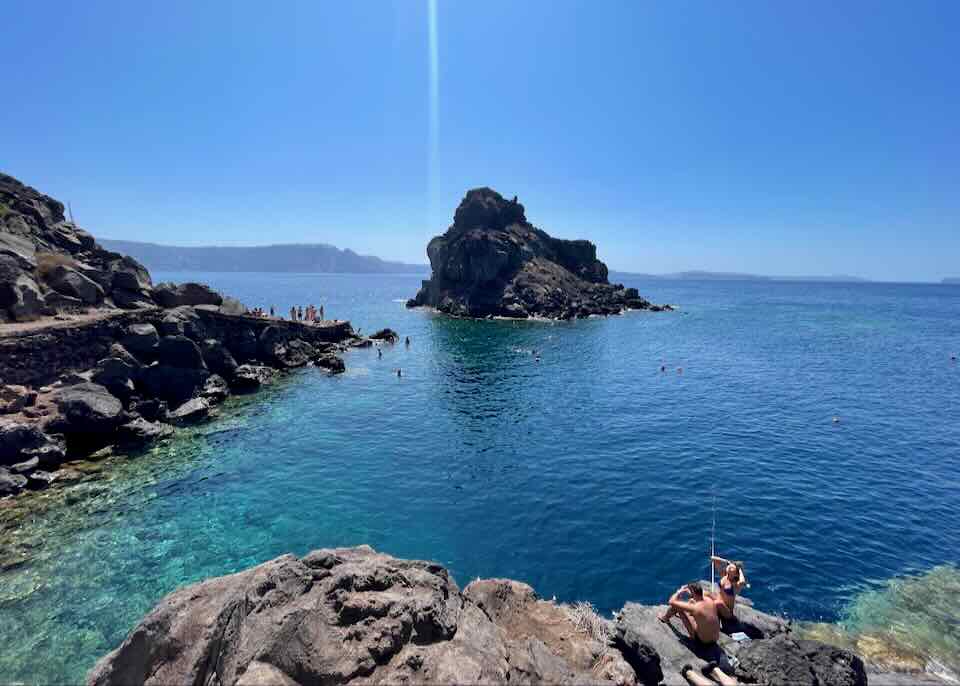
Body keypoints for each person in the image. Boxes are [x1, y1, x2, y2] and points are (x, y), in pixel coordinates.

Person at [658, 581, 720, 647]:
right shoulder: (709, 599)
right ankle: (688, 615)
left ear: (693, 593)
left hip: (703, 642)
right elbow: (703, 595)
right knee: (691, 601)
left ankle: (664, 619)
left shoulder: (695, 607)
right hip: (715, 639)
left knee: (676, 607)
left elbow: (671, 601)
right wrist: (691, 590)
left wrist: (679, 591)